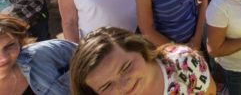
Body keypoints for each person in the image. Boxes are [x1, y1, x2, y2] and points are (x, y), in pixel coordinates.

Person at [69, 27, 216, 95]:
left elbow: (209, 92)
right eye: (106, 86)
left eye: (126, 67)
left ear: (139, 47)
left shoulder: (184, 62)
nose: (124, 85)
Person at [0, 15, 76, 95]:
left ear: (19, 40)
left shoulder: (49, 52)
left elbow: (87, 60)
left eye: (10, 46)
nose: (3, 58)